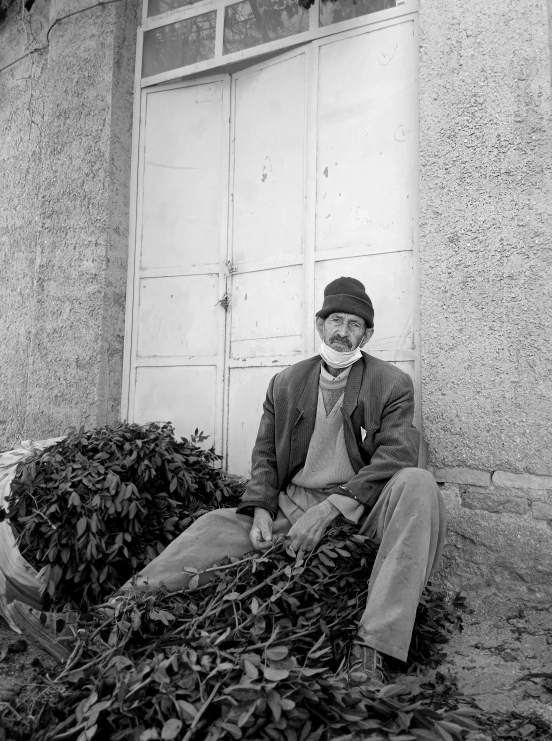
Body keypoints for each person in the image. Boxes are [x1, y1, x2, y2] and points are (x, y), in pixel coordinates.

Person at [125, 277, 446, 686]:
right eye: (336, 320)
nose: (343, 332)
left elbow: (396, 457)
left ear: (367, 334)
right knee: (213, 526)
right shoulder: (286, 382)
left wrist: (332, 510)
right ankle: (117, 608)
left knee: (418, 482)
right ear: (319, 324)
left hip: (361, 506)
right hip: (296, 503)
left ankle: (371, 650)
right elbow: (265, 456)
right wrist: (262, 506)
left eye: (354, 325)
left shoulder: (391, 383)